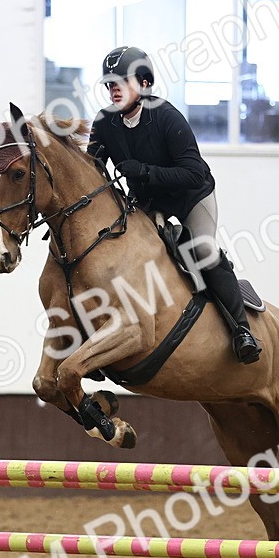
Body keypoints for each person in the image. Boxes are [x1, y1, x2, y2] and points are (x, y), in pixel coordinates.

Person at [87, 45, 262, 365]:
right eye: (109, 84)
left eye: (120, 82)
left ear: (142, 83)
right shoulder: (105, 122)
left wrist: (145, 171)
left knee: (204, 251)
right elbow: (91, 169)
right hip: (149, 202)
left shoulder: (166, 117)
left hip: (191, 197)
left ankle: (242, 329)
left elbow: (194, 173)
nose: (113, 89)